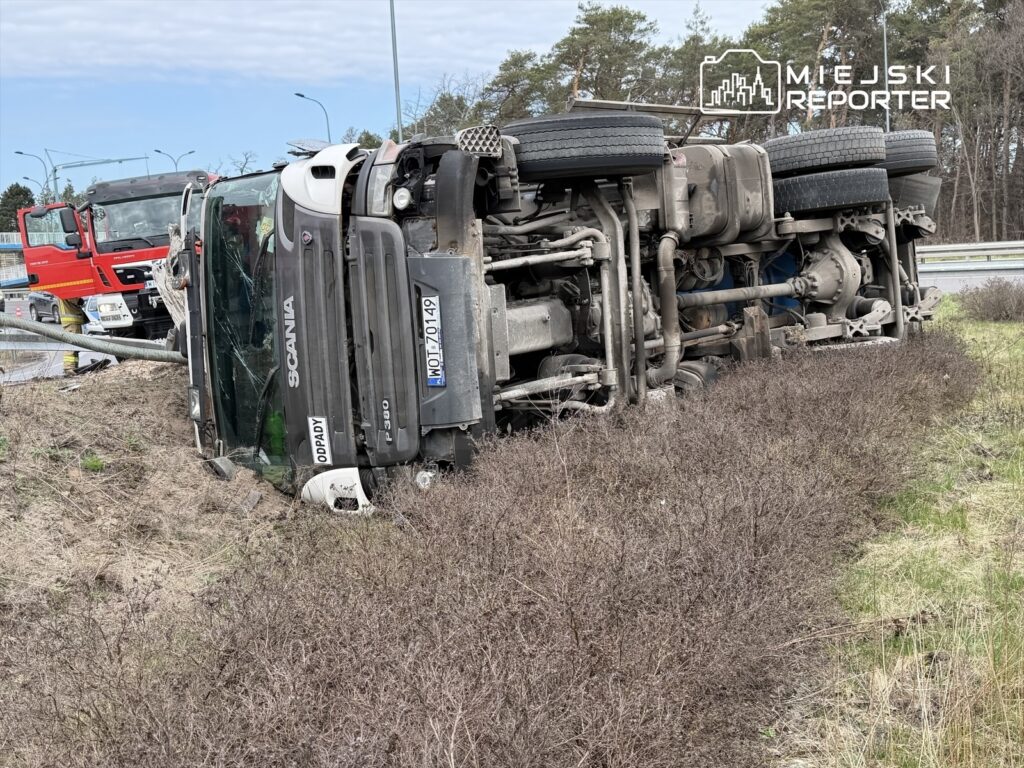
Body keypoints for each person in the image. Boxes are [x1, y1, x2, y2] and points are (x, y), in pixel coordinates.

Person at [58, 297, 87, 374]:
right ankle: (69, 368)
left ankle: (73, 368)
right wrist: (79, 300)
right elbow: (71, 297)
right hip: (72, 320)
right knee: (71, 345)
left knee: (75, 347)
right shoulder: (65, 287)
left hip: (72, 320)